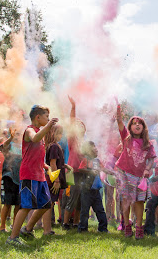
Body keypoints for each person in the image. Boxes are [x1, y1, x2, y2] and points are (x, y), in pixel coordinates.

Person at [6, 105, 58, 246]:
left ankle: (27, 229)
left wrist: (46, 167)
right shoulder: (30, 130)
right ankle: (12, 238)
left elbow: (38, 156)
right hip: (29, 174)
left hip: (39, 175)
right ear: (38, 117)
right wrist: (48, 126)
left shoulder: (40, 133)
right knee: (26, 206)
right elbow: (34, 139)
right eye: (46, 116)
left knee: (46, 204)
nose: (48, 119)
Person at [113, 103, 156, 239]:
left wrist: (148, 169)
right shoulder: (126, 138)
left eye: (140, 123)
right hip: (124, 173)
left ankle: (138, 227)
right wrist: (119, 112)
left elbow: (151, 160)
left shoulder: (148, 144)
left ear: (143, 127)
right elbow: (119, 122)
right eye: (134, 123)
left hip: (139, 176)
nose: (137, 125)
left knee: (139, 201)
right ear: (130, 127)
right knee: (126, 199)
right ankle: (126, 225)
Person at [62, 96, 86, 230]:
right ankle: (65, 223)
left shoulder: (84, 143)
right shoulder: (73, 139)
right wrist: (73, 107)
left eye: (81, 125)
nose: (78, 126)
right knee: (71, 197)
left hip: (82, 173)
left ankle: (76, 223)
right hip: (71, 173)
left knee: (80, 200)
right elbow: (71, 124)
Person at [43, 124, 71, 235]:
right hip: (53, 180)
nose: (61, 135)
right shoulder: (54, 146)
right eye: (59, 133)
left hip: (53, 177)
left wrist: (64, 165)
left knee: (50, 203)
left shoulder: (53, 146)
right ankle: (47, 229)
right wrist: (56, 180)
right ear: (53, 133)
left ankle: (47, 228)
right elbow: (53, 163)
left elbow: (57, 163)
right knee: (49, 204)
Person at [77, 141, 108, 233]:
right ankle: (83, 229)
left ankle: (103, 229)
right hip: (86, 190)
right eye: (94, 148)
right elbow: (81, 169)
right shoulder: (86, 160)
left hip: (96, 190)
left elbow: (103, 169)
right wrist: (90, 171)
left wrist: (111, 172)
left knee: (100, 210)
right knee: (85, 211)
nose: (96, 149)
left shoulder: (97, 161)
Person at [0, 128, 21, 232]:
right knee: (7, 203)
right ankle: (2, 226)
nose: (17, 136)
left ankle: (14, 225)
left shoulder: (23, 147)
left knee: (18, 204)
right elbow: (3, 147)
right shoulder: (10, 144)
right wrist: (10, 138)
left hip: (20, 178)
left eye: (19, 134)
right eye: (15, 134)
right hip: (9, 177)